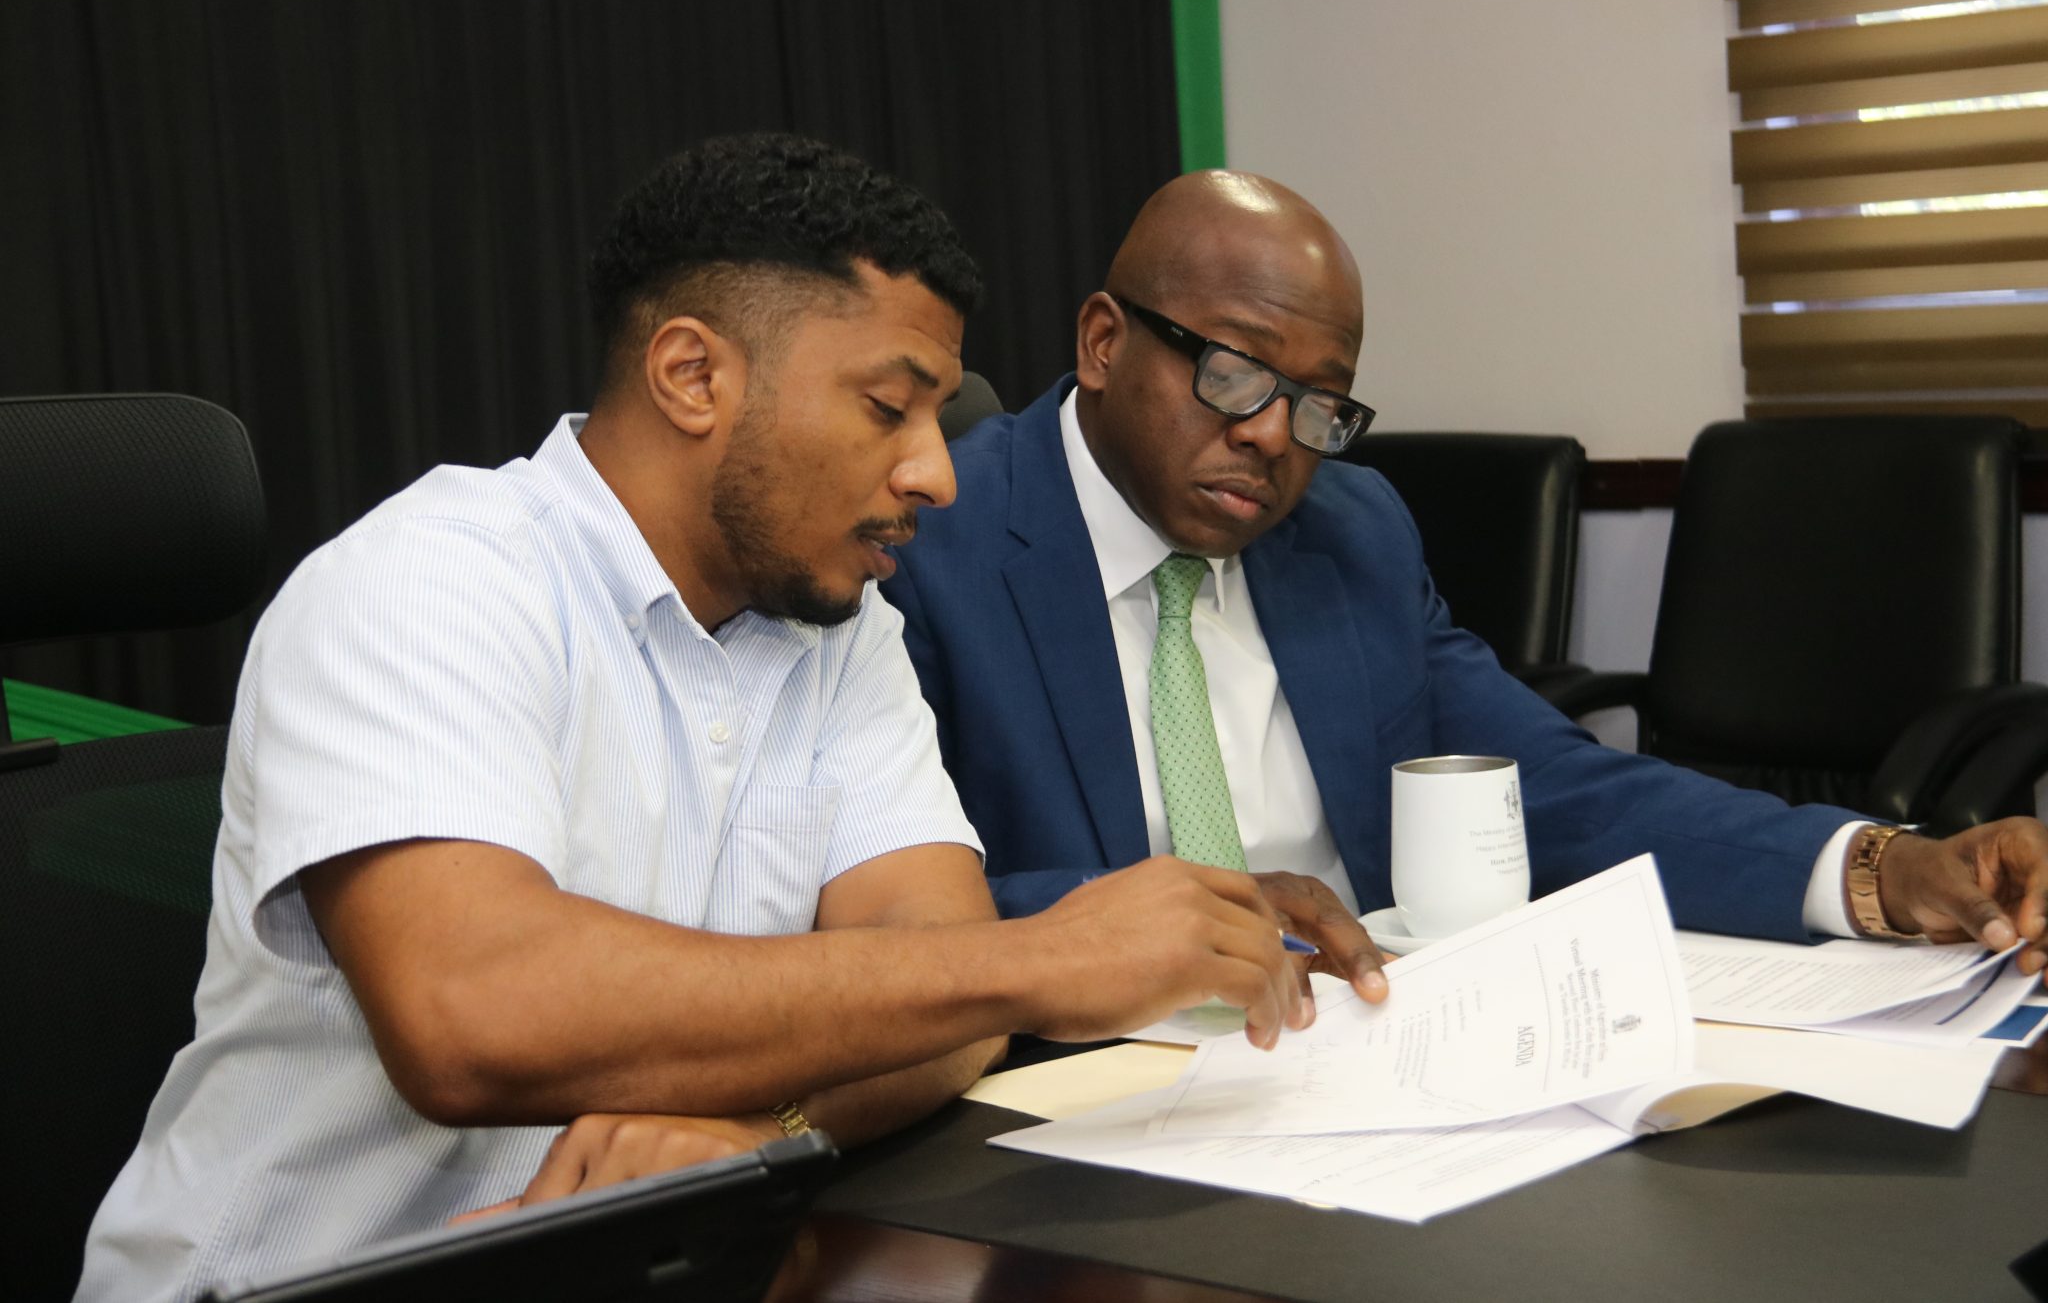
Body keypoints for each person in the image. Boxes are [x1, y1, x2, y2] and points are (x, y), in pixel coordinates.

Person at [76, 137, 1321, 1303]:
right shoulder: (427, 582)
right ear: (691, 375)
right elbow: (474, 1016)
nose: (935, 472)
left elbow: (938, 1011)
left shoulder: (843, 627)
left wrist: (758, 1135)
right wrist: (1038, 958)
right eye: (889, 409)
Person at [879, 168, 2048, 974]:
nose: (1274, 438)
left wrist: (1879, 870)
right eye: (1233, 376)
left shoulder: (1348, 528)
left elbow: (1549, 782)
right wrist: (1172, 924)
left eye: (1317, 403)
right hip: (1080, 1113)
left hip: (1383, 1062)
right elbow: (871, 916)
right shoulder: (927, 544)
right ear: (1100, 342)